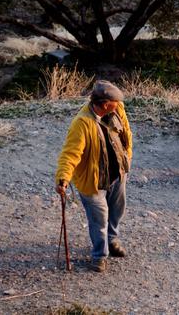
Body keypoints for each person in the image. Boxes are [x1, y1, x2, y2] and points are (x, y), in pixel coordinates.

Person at [55, 80, 132, 272]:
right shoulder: (82, 123)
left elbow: (126, 134)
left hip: (117, 174)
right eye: (115, 102)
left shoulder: (117, 109)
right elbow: (70, 153)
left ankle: (112, 241)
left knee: (116, 211)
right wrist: (63, 177)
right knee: (99, 219)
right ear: (105, 104)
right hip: (93, 180)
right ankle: (100, 255)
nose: (119, 104)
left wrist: (127, 159)